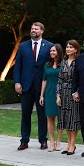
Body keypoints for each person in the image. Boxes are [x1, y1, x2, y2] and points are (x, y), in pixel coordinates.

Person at [14, 22, 53, 151]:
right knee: (25, 114)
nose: (33, 30)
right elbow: (18, 65)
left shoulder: (49, 46)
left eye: (36, 29)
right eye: (32, 28)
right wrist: (17, 82)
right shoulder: (23, 46)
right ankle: (24, 141)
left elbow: (52, 66)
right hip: (25, 86)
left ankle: (43, 140)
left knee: (42, 114)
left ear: (42, 31)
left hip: (42, 87)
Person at [58, 40, 81, 155]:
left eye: (71, 47)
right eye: (67, 47)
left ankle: (73, 143)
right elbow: (60, 80)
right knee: (65, 119)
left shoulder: (78, 62)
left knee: (73, 119)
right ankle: (68, 143)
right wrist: (58, 95)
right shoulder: (63, 63)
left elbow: (79, 79)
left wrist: (77, 92)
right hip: (63, 93)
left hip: (73, 92)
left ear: (76, 49)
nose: (68, 49)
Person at [39, 43, 63, 152]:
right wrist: (41, 95)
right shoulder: (47, 64)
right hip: (48, 93)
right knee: (50, 118)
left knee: (60, 118)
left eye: (54, 51)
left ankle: (58, 141)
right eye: (51, 51)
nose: (52, 52)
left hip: (60, 93)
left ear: (58, 51)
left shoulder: (63, 64)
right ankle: (52, 142)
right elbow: (44, 80)